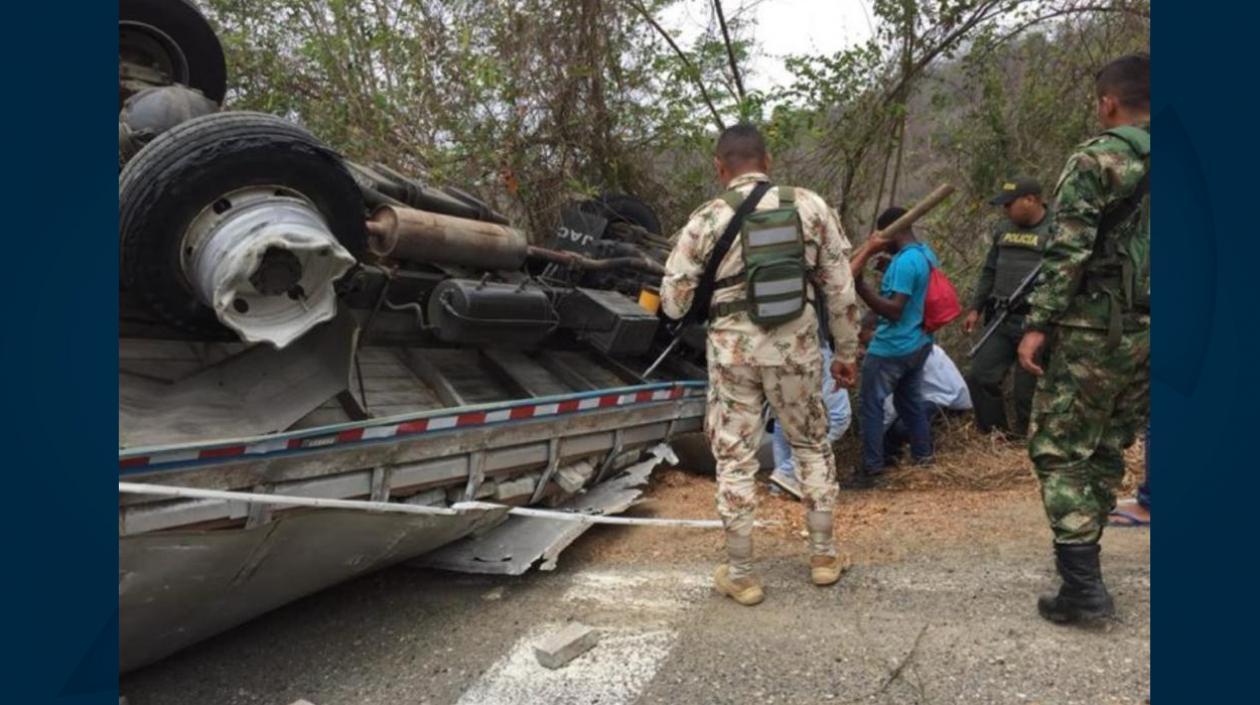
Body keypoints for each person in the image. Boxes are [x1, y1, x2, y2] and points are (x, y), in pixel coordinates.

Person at [660, 124, 861, 606]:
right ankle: (824, 557)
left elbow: (672, 301)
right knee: (811, 444)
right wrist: (848, 354)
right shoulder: (810, 206)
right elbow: (840, 289)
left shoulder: (706, 218)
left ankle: (743, 574)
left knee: (735, 457)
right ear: (767, 161)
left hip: (733, 353)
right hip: (795, 346)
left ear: (719, 166)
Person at [1017, 53, 1150, 624]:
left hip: (1095, 330)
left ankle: (1082, 590)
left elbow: (1067, 252)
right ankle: (1084, 569)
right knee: (1105, 444)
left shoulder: (1098, 158)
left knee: (1059, 447)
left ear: (1107, 103)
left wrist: (1037, 323)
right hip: (1155, 333)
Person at [848, 207, 942, 487]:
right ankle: (923, 459)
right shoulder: (924, 254)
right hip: (919, 343)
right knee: (909, 402)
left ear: (894, 231)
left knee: (871, 406)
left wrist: (861, 287)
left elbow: (894, 311)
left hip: (892, 347)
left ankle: (872, 469)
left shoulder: (904, 264)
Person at [963, 176, 1055, 438]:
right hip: (1001, 318)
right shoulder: (1003, 230)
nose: (1006, 210)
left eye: (1009, 204)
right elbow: (989, 270)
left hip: (1036, 322)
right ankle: (997, 436)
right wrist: (975, 308)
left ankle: (1027, 442)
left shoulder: (1057, 230)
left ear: (1031, 200)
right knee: (980, 375)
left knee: (1027, 391)